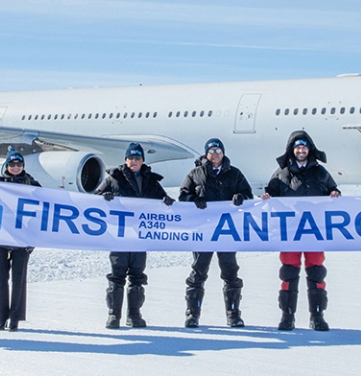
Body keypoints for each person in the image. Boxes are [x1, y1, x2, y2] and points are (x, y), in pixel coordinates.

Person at [260, 131, 340, 331]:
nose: (301, 150)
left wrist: (334, 193)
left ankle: (317, 316)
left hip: (314, 230)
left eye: (304, 147)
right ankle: (287, 316)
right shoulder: (282, 173)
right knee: (288, 271)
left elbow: (333, 190)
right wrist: (267, 196)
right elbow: (270, 192)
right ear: (292, 150)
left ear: (309, 149)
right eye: (297, 147)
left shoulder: (320, 172)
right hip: (290, 231)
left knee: (316, 271)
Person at [95, 142, 175, 329]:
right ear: (126, 160)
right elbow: (94, 199)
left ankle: (134, 315)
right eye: (130, 158)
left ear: (142, 160)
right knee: (117, 274)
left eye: (137, 158)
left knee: (137, 275)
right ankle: (113, 315)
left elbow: (163, 202)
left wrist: (166, 201)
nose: (134, 161)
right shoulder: (114, 178)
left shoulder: (151, 181)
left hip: (140, 235)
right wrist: (104, 196)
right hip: (120, 235)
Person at [177, 138, 254, 328]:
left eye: (218, 151)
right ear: (206, 154)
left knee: (230, 271)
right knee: (198, 272)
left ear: (223, 153)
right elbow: (183, 196)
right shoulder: (196, 174)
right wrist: (194, 199)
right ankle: (192, 314)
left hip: (226, 231)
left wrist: (241, 197)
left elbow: (248, 195)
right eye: (211, 151)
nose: (215, 154)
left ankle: (233, 314)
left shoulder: (234, 174)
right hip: (203, 230)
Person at [0, 148, 39, 331]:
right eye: (12, 164)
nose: (15, 167)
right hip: (1, 238)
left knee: (19, 280)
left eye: (18, 164)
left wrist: (33, 239)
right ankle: (1, 318)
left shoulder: (32, 185)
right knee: (1, 280)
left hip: (22, 241)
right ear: (6, 165)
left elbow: (41, 211)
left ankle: (15, 318)